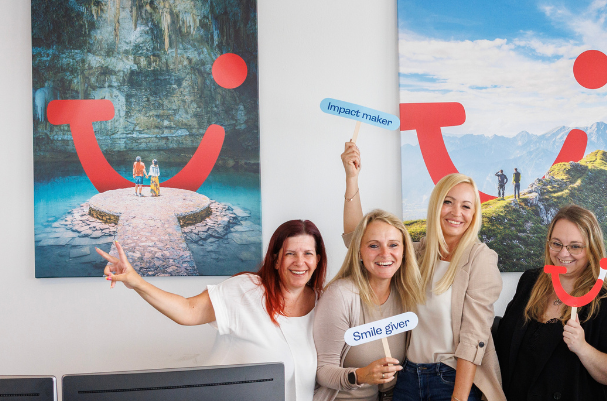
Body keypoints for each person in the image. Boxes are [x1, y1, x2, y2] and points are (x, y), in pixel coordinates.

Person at [96, 219, 329, 401]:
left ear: (317, 260)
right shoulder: (246, 290)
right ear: (276, 260)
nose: (300, 262)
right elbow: (188, 310)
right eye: (291, 253)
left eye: (308, 253)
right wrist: (136, 281)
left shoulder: (324, 304)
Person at [343, 141, 504, 401]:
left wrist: (459, 398)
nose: (456, 213)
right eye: (448, 202)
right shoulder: (418, 253)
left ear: (474, 213)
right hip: (408, 377)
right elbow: (357, 240)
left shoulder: (480, 258)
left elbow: (474, 337)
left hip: (451, 379)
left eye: (466, 206)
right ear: (436, 205)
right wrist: (352, 178)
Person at [494, 205, 607, 401]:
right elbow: (504, 346)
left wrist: (582, 348)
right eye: (556, 244)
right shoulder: (530, 282)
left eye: (575, 246)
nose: (563, 254)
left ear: (592, 249)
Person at [313, 208, 426, 401]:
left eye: (393, 245)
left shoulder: (406, 296)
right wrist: (361, 375)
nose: (385, 253)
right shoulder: (341, 295)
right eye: (374, 246)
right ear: (358, 251)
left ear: (404, 251)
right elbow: (323, 371)